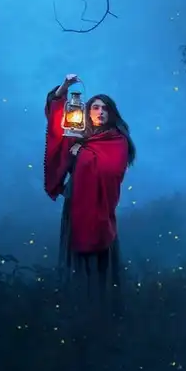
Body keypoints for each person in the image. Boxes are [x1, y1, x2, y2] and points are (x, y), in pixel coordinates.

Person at [44, 72, 136, 311]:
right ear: (87, 111)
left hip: (100, 206)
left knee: (100, 253)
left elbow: (111, 169)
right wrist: (64, 87)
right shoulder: (77, 132)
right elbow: (55, 120)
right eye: (95, 107)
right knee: (74, 253)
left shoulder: (117, 140)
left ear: (111, 113)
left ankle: (103, 308)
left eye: (105, 108)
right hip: (75, 203)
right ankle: (72, 306)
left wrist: (81, 154)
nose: (100, 111)